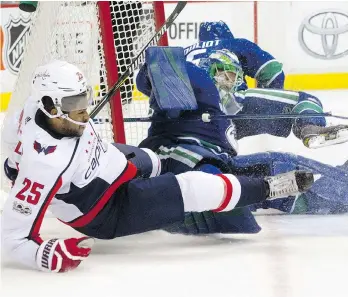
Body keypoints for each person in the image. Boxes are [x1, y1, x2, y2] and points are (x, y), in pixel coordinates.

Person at [1, 60, 311, 273]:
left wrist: (11, 163)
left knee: (161, 161)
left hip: (112, 162)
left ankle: (178, 177)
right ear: (48, 105)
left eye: (83, 99)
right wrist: (46, 256)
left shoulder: (30, 112)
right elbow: (11, 239)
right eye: (72, 106)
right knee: (192, 188)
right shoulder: (44, 166)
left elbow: (8, 143)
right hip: (107, 208)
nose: (83, 112)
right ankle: (269, 188)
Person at [137, 47, 348, 235]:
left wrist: (309, 125)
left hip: (219, 171)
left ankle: (339, 187)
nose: (228, 84)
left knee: (278, 165)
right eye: (222, 76)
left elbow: (301, 100)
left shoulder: (241, 103)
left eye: (232, 77)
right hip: (178, 170)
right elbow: (153, 69)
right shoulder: (195, 86)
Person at [185, 21, 285, 90]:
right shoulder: (235, 44)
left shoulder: (183, 52)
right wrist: (266, 105)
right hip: (231, 107)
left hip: (191, 112)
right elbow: (274, 72)